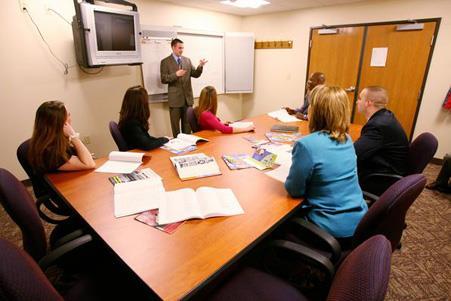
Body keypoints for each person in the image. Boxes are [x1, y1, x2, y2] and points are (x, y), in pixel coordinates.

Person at [285, 86, 368, 241]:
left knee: (276, 229)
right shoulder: (347, 139)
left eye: (310, 106)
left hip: (328, 229)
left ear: (315, 112)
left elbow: (294, 190)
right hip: (359, 221)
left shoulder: (306, 145)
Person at [354, 86, 409, 193]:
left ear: (368, 103)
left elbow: (354, 153)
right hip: (388, 169)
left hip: (382, 179)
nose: (357, 102)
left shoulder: (377, 125)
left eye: (360, 98)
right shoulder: (384, 117)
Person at [29, 101, 95, 173]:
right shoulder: (51, 152)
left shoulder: (56, 141)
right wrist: (73, 136)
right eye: (68, 115)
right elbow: (89, 164)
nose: (70, 118)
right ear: (60, 123)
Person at [160, 38, 207, 137]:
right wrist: (176, 75)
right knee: (175, 127)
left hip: (187, 100)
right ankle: (177, 148)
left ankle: (187, 147)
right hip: (175, 101)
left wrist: (200, 66)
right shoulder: (165, 62)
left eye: (182, 48)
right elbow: (163, 79)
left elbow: (195, 74)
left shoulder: (187, 60)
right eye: (179, 48)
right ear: (173, 47)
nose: (181, 50)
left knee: (187, 126)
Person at [118, 86, 169, 150]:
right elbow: (147, 145)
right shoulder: (131, 124)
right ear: (141, 104)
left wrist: (162, 139)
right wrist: (164, 140)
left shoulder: (129, 118)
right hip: (137, 153)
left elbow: (145, 138)